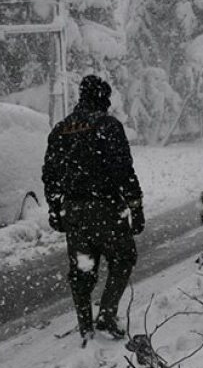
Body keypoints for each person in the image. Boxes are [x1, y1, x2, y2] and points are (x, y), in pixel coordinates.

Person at [42, 75, 145, 342]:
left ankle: (85, 325)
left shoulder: (61, 130)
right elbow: (124, 171)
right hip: (107, 208)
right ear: (103, 99)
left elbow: (49, 175)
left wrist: (55, 208)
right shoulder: (108, 127)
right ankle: (108, 314)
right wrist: (136, 206)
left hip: (74, 211)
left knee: (82, 270)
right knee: (123, 258)